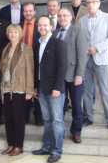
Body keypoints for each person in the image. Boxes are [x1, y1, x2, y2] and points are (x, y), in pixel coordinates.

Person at [79, 0, 108, 129]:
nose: (90, 5)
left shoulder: (107, 18)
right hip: (86, 59)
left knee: (104, 89)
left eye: (93, 2)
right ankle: (88, 117)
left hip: (102, 58)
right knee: (87, 90)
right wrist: (84, 49)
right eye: (88, 2)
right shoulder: (82, 20)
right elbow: (81, 39)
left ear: (99, 3)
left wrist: (97, 48)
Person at [32, 15, 66, 163]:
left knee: (57, 120)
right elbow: (36, 68)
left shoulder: (58, 43)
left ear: (51, 26)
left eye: (45, 25)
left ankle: (56, 150)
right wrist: (35, 86)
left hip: (55, 89)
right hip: (41, 88)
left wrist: (57, 87)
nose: (42, 28)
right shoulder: (37, 44)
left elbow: (62, 67)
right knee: (47, 119)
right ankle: (46, 146)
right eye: (40, 25)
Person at [53, 7, 87, 143]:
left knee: (77, 105)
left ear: (70, 17)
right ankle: (59, 131)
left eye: (65, 16)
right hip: (59, 77)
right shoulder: (55, 33)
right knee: (59, 106)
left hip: (74, 76)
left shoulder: (78, 31)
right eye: (59, 16)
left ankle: (76, 131)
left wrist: (79, 75)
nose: (62, 18)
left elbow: (82, 56)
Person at [0, 24, 34, 156]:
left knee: (17, 117)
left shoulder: (27, 49)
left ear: (20, 34)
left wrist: (29, 90)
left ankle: (19, 146)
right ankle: (11, 144)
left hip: (19, 88)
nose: (13, 34)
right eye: (11, 32)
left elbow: (29, 71)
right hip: (6, 88)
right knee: (8, 117)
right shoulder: (5, 49)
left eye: (15, 32)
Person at [20, 2, 42, 125]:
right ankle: (25, 116)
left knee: (37, 90)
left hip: (37, 62)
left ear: (34, 12)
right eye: (25, 11)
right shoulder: (18, 26)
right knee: (24, 90)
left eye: (30, 11)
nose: (28, 13)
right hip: (22, 64)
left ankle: (38, 117)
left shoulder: (40, 26)